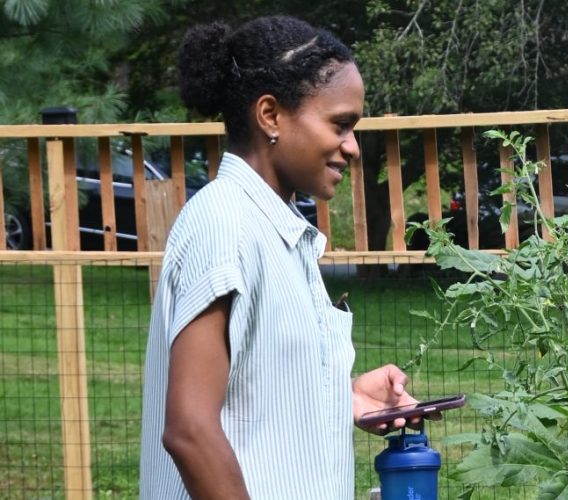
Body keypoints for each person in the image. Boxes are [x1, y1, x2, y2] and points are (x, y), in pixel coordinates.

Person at [138, 16, 425, 499]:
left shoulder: (277, 233)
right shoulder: (225, 225)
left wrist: (345, 395)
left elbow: (251, 389)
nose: (353, 147)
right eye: (340, 124)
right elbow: (189, 430)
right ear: (270, 115)